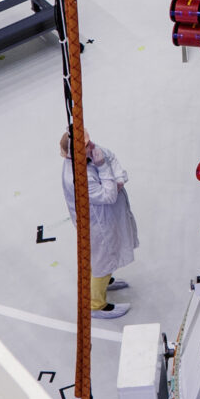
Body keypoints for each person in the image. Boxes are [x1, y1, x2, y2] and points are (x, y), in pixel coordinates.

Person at [60, 128, 139, 318]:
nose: (93, 145)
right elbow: (109, 195)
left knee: (104, 256)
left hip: (108, 217)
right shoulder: (78, 178)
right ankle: (96, 304)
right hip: (98, 225)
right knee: (103, 260)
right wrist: (103, 168)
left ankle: (106, 280)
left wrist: (118, 178)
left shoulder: (89, 153)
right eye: (87, 145)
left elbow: (110, 157)